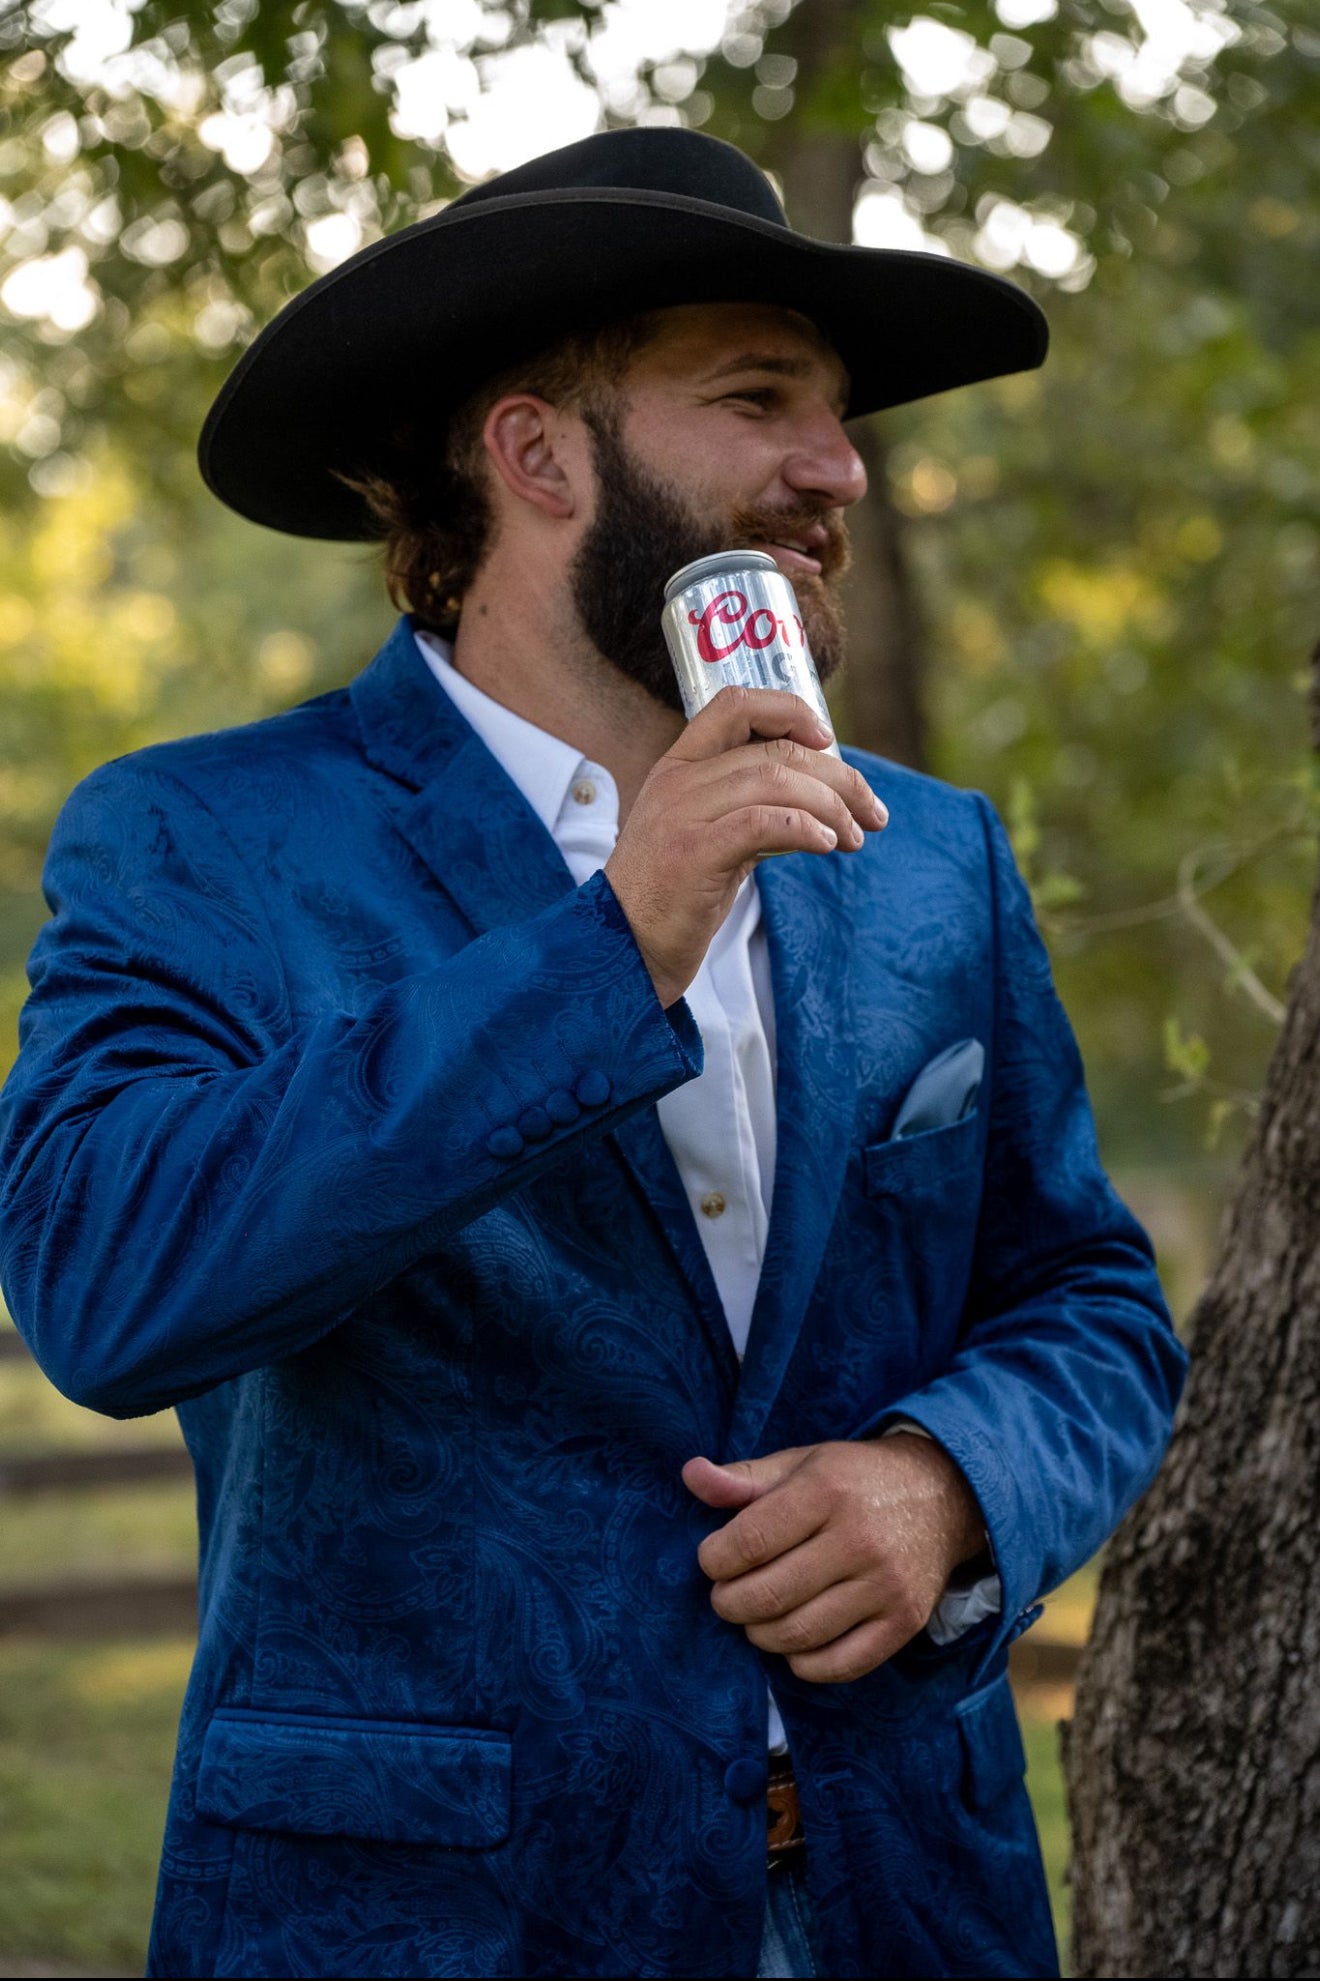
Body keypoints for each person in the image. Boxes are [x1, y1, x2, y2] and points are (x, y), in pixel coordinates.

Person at [0, 128, 1186, 1980]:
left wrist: (948, 1482)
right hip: (434, 1921)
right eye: (760, 398)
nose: (840, 465)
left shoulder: (930, 855)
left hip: (901, 1899)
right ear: (538, 454)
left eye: (840, 413)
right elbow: (106, 1285)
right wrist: (614, 940)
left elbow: (1090, 1295)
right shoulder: (204, 839)